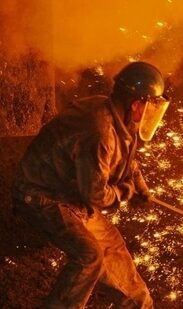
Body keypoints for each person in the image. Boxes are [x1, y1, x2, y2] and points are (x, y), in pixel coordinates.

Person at [12, 61, 170, 308]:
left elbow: (127, 160)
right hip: (41, 194)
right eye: (150, 106)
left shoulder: (118, 117)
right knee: (89, 256)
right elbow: (95, 195)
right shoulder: (98, 131)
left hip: (72, 197)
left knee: (118, 258)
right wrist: (125, 191)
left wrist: (139, 185)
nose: (150, 114)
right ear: (137, 104)